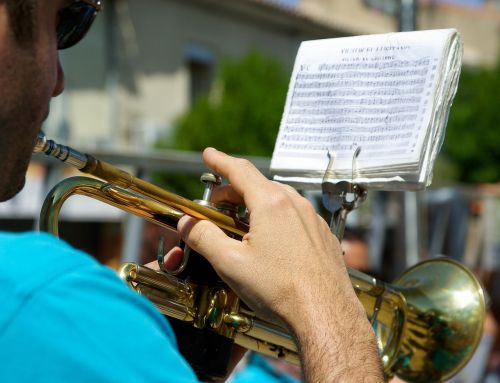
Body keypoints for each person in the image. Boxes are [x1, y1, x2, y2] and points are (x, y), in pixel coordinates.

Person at [0, 1, 384, 382]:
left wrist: (173, 363)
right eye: (62, 26)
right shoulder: (44, 294)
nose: (59, 80)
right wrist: (324, 304)